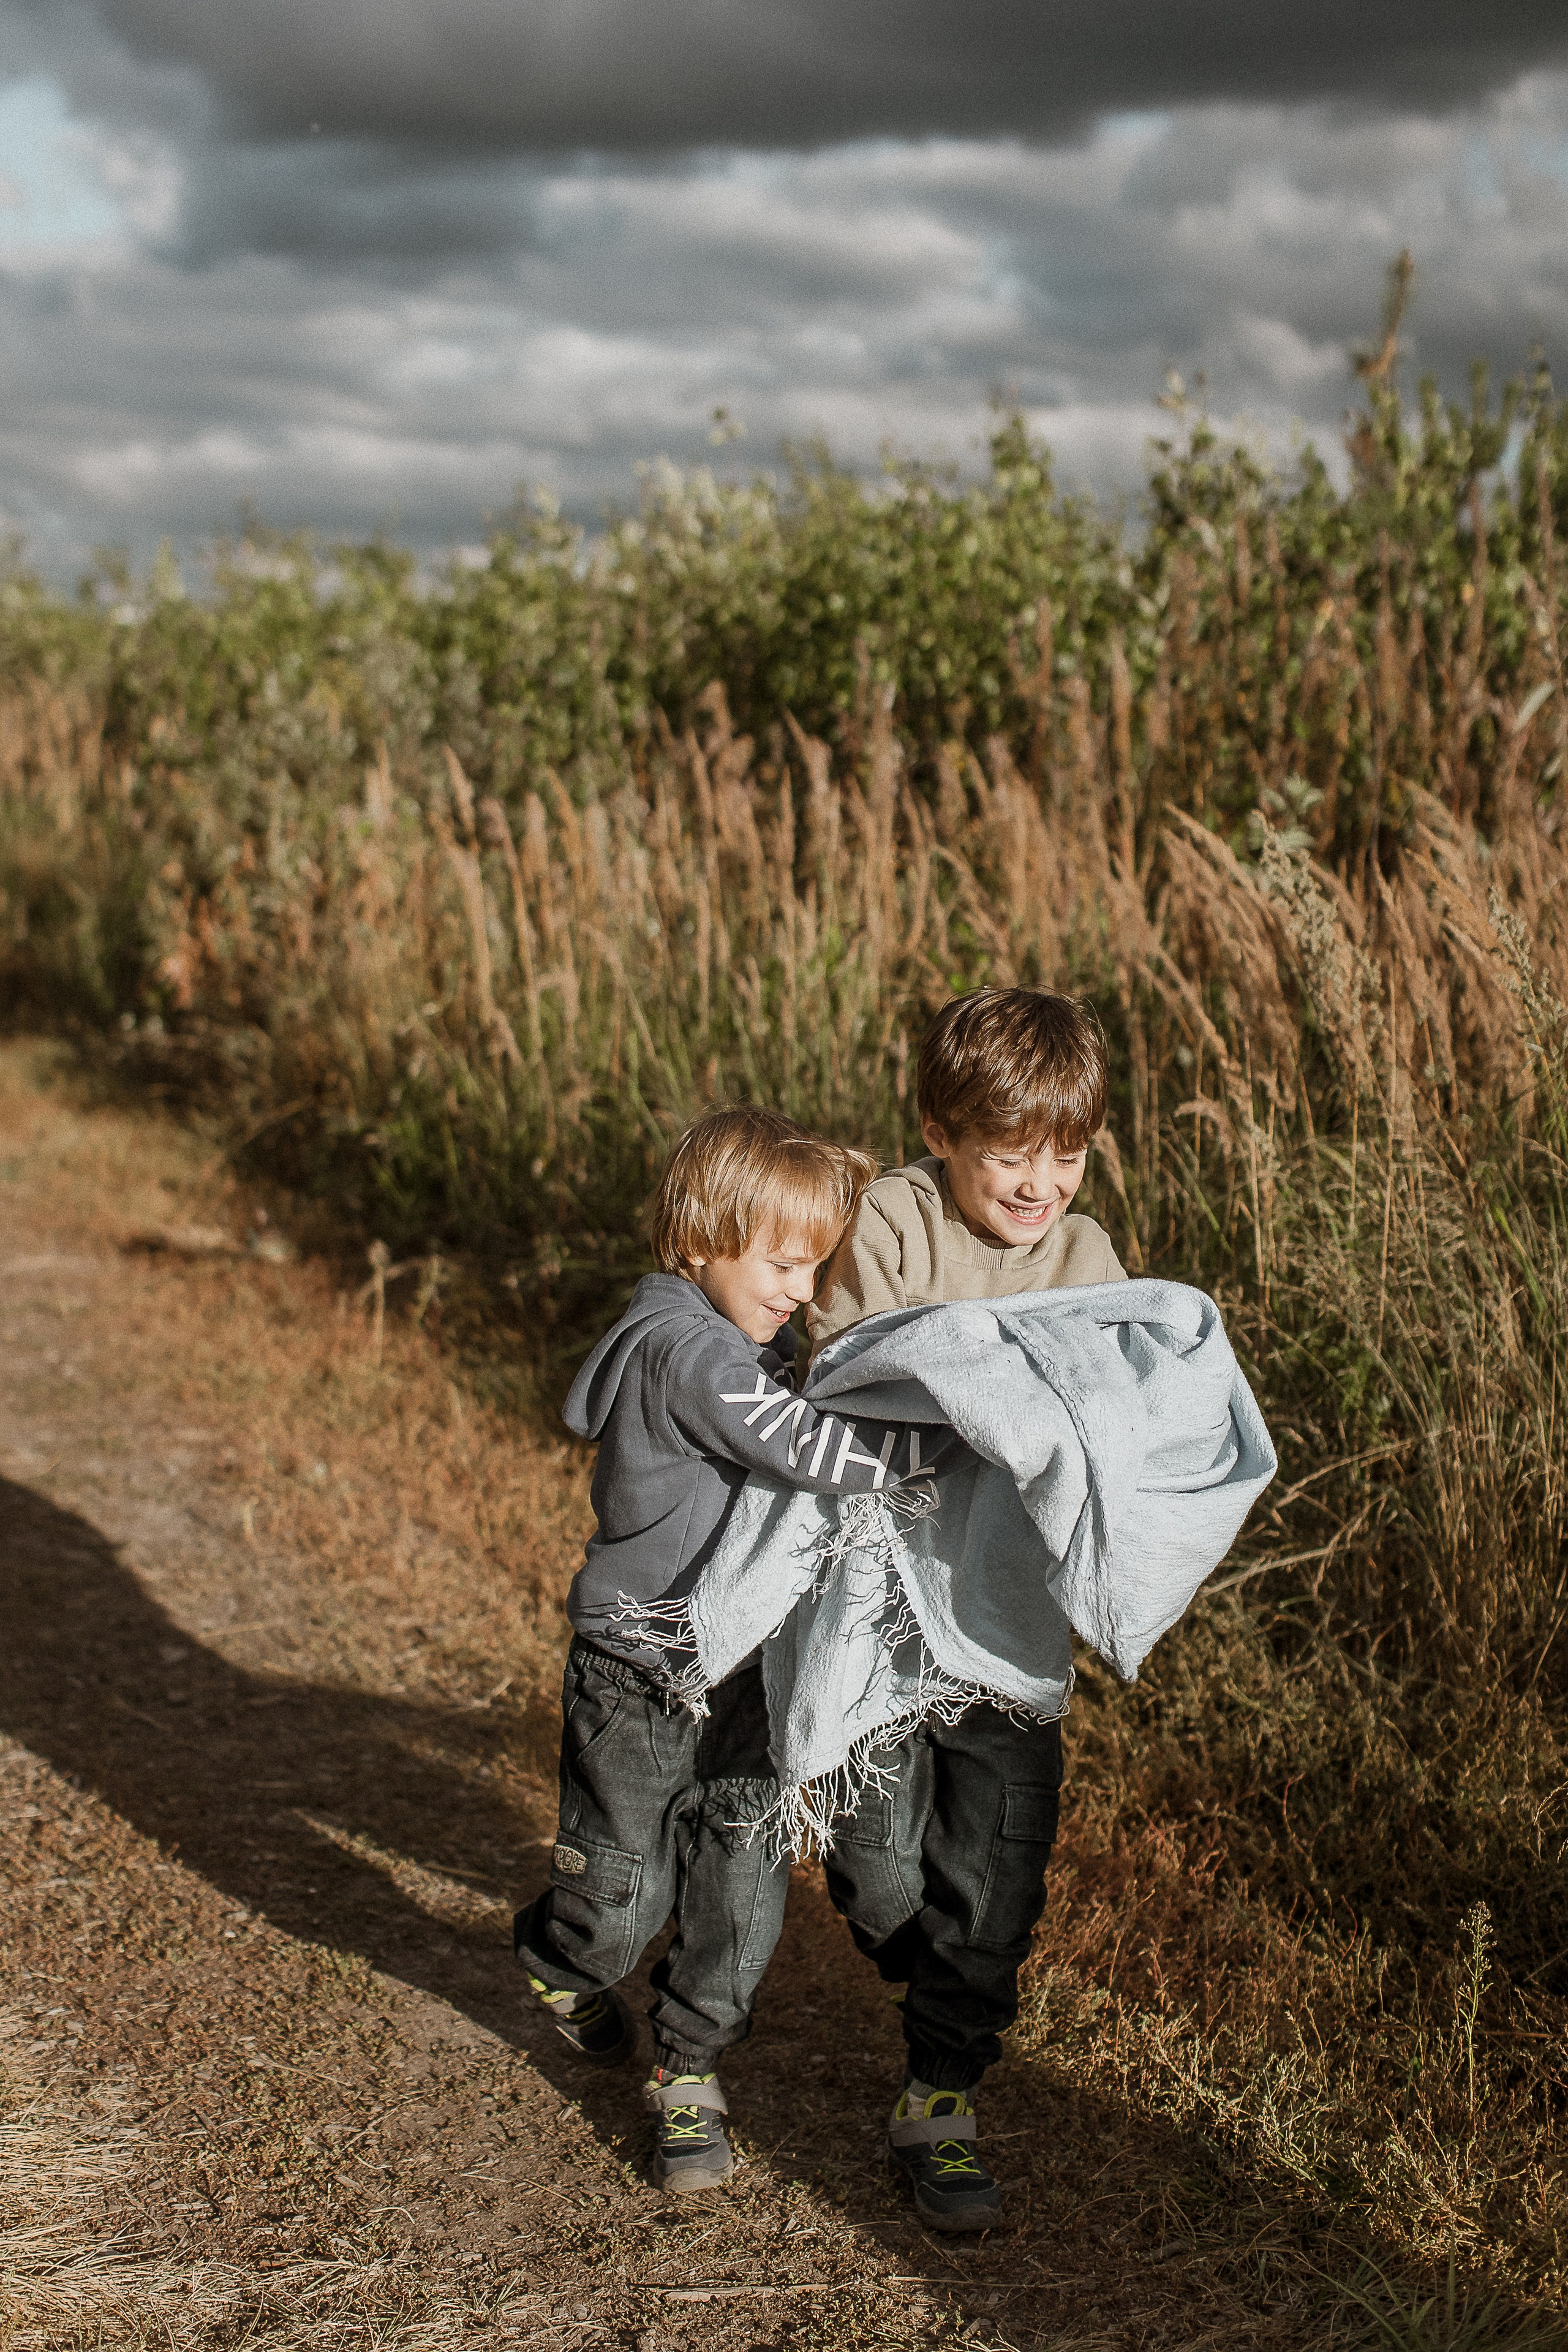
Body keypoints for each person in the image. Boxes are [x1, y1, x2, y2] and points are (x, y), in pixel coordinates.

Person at [514, 1106, 964, 2195]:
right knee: (623, 1902)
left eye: (816, 1268)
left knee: (741, 1880)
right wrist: (942, 1437)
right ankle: (561, 1956)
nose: (802, 1292)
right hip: (639, 1672)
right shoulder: (686, 1352)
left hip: (745, 1667)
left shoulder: (740, 1346)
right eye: (782, 1264)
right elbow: (801, 1445)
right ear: (699, 1239)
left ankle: (688, 2073)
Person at [807, 987, 1126, 2233]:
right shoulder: (892, 1218)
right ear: (940, 1133)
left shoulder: (1086, 1257)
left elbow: (1114, 1404)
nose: (1040, 1183)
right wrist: (997, 1377)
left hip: (1007, 1621)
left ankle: (939, 2097)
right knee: (875, 1864)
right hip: (883, 1607)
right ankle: (926, 1975)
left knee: (996, 1876)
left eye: (1066, 1153)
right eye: (1008, 1154)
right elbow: (856, 1367)